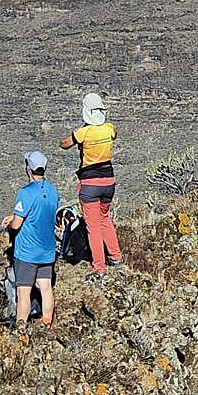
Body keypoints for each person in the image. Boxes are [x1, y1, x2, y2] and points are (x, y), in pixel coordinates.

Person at [59, 93, 123, 274]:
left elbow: (64, 144)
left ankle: (99, 267)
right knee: (105, 219)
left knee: (92, 227)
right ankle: (116, 257)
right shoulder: (109, 128)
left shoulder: (84, 132)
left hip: (89, 184)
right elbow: (114, 134)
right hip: (109, 181)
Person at [0, 151, 59, 331]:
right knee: (45, 287)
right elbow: (40, 212)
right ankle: (47, 322)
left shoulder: (25, 193)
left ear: (28, 169)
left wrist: (10, 224)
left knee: (23, 291)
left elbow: (17, 225)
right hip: (47, 249)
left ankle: (21, 327)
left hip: (27, 252)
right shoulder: (52, 190)